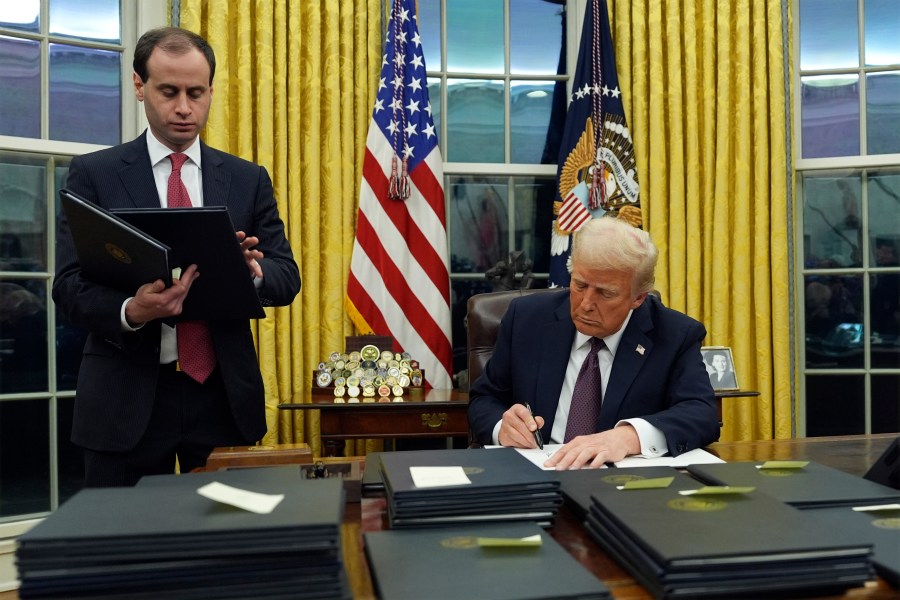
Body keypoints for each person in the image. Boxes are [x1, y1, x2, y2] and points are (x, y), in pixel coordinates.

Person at [52, 27, 300, 487]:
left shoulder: (247, 179)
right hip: (125, 398)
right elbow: (68, 287)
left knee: (223, 546)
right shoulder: (94, 174)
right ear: (140, 86)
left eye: (196, 92)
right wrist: (132, 311)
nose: (184, 107)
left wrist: (254, 273)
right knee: (126, 551)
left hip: (223, 398)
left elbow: (287, 275)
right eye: (169, 92)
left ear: (210, 91)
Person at [467, 216, 719, 469]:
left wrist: (628, 437)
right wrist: (503, 427)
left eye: (605, 293)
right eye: (579, 285)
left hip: (622, 484)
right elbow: (484, 399)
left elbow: (702, 414)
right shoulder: (527, 319)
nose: (586, 304)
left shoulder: (675, 334)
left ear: (638, 298)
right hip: (537, 471)